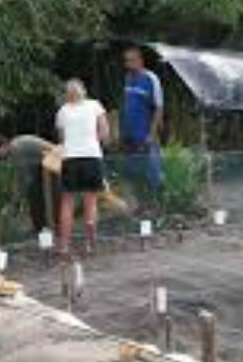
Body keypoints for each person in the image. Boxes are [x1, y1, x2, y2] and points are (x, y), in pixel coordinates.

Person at [54, 78, 109, 255]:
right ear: (83, 91)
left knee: (67, 203)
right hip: (92, 156)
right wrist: (94, 143)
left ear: (67, 94)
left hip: (70, 158)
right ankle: (90, 244)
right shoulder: (95, 105)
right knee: (90, 202)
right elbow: (104, 132)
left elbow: (62, 139)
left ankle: (64, 246)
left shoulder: (62, 111)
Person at [120, 43, 164, 209]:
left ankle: (157, 207)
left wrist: (151, 134)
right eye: (125, 61)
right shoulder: (128, 78)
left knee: (153, 172)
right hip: (129, 135)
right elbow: (127, 105)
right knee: (133, 172)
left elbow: (159, 108)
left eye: (130, 61)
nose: (127, 64)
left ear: (140, 61)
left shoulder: (151, 79)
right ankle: (140, 206)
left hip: (146, 135)